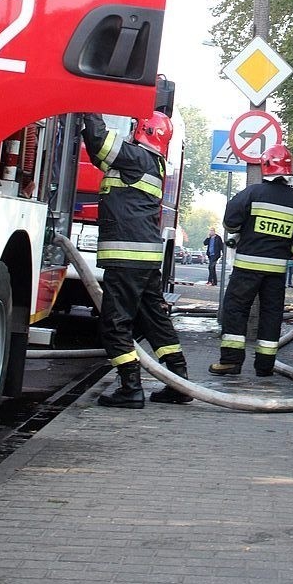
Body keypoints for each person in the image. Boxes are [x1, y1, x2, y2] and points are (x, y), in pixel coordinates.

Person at [82, 112, 193, 408]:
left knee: (115, 324)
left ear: (142, 130)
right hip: (144, 260)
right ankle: (179, 383)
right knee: (156, 323)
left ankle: (130, 387)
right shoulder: (146, 162)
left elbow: (98, 140)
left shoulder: (135, 158)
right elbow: (98, 152)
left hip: (126, 259)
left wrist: (91, 105)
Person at [209, 143, 293, 377]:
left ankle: (231, 362)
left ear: (265, 167)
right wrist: (281, 252)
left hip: (247, 268)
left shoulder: (252, 193)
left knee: (235, 310)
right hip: (276, 271)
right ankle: (265, 366)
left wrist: (243, 232)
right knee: (272, 315)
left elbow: (230, 222)